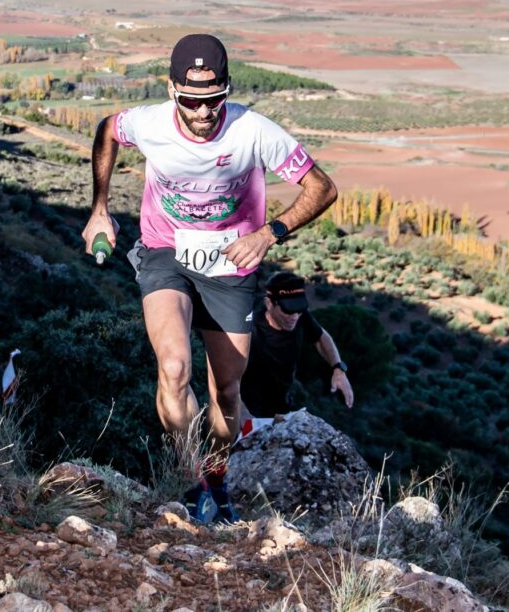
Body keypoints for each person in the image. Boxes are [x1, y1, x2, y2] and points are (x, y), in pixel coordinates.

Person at [81, 34, 337, 523]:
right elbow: (108, 130)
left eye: (213, 99)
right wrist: (99, 209)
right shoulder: (151, 123)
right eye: (191, 100)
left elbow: (322, 188)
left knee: (226, 394)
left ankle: (216, 475)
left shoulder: (254, 131)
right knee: (174, 368)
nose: (202, 112)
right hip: (165, 251)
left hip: (230, 267)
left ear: (228, 88)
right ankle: (190, 476)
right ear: (172, 88)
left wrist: (269, 233)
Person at [240, 271, 354, 424]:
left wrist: (338, 368)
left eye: (299, 309)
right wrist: (243, 414)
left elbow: (321, 338)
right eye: (288, 310)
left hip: (281, 408)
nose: (294, 317)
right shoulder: (249, 331)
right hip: (249, 412)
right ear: (269, 303)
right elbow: (228, 379)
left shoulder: (301, 318)